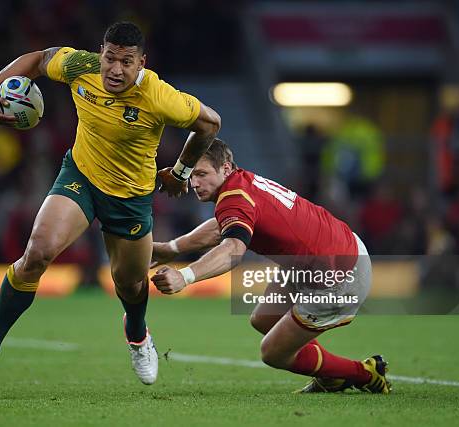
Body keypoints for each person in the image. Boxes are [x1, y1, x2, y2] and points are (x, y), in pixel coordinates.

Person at [0, 22, 221, 385]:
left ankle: (138, 335)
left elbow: (209, 123)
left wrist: (183, 171)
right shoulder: (82, 66)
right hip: (81, 178)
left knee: (131, 285)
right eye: (110, 59)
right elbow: (39, 60)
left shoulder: (160, 96)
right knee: (37, 253)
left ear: (141, 63)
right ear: (100, 53)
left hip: (130, 197)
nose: (115, 70)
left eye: (126, 62)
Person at [150, 139, 391, 393]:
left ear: (226, 169)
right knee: (264, 319)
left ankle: (365, 373)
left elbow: (233, 250)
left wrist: (185, 276)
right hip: (333, 250)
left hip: (340, 275)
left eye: (202, 174)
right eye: (191, 175)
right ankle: (332, 374)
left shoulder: (234, 197)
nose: (194, 183)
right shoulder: (240, 184)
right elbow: (222, 226)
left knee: (273, 353)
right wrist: (172, 249)